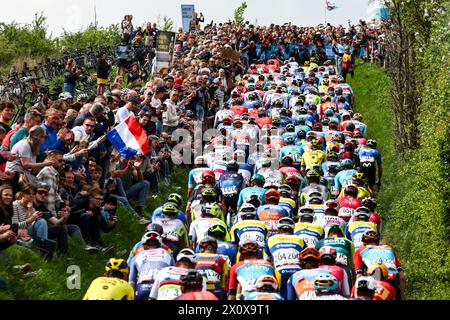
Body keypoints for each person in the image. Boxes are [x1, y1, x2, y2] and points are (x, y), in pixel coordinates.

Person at [353, 229, 406, 299]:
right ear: (378, 241)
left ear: (364, 242)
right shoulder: (389, 248)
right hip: (393, 279)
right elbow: (402, 278)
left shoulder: (360, 250)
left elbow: (359, 276)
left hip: (375, 278)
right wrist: (402, 296)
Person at [264, 217, 304, 299]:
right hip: (298, 272)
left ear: (278, 229)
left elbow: (266, 260)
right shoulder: (300, 239)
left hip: (280, 272)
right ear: (292, 229)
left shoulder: (270, 239)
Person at [128, 231, 175, 300]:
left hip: (142, 289)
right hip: (161, 288)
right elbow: (174, 275)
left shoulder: (136, 256)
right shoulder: (168, 254)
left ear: (143, 245)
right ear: (159, 244)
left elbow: (131, 281)